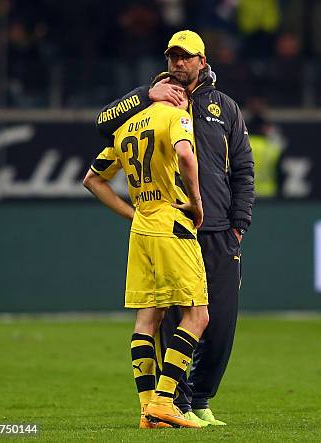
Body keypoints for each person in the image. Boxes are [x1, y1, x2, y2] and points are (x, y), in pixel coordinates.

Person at [95, 30, 254, 426]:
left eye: (186, 57)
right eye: (172, 57)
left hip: (217, 230)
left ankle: (196, 398)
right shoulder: (152, 101)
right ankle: (174, 401)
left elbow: (244, 169)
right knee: (173, 319)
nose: (177, 64)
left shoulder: (226, 108)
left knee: (219, 326)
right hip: (173, 224)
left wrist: (239, 224)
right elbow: (101, 123)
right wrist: (145, 94)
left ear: (203, 61)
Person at [83, 72, 208, 429]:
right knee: (198, 315)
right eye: (182, 92)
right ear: (173, 94)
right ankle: (166, 401)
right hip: (171, 221)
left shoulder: (126, 128)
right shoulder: (176, 117)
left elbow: (92, 179)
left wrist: (131, 212)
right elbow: (185, 155)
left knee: (147, 319)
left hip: (141, 228)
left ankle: (146, 411)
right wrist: (197, 203)